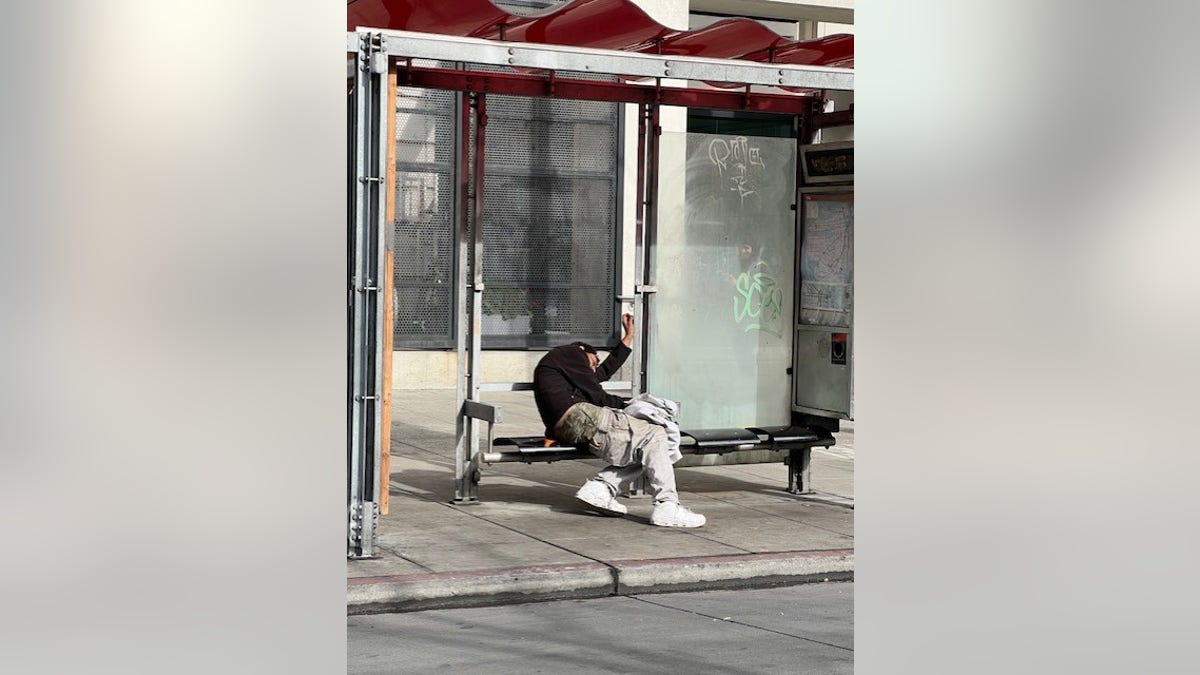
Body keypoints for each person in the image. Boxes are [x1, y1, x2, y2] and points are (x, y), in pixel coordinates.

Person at [532, 313, 706, 528]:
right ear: (585, 352)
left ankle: (603, 487)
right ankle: (667, 504)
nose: (594, 369)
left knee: (649, 448)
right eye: (593, 363)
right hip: (580, 416)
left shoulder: (566, 370)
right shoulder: (571, 353)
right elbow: (598, 395)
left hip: (571, 425)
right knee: (657, 433)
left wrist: (629, 336)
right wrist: (630, 404)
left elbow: (602, 372)